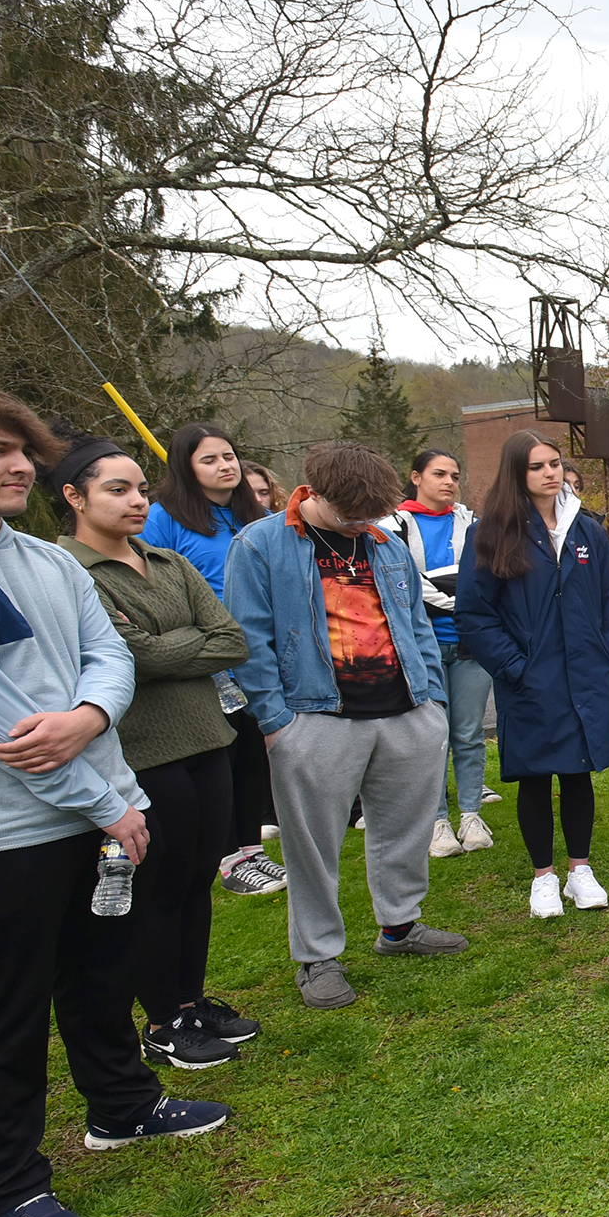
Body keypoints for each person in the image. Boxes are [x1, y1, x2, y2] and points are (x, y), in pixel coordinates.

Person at [0, 383, 227, 1217]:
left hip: (98, 812)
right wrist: (108, 799)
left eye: (23, 449)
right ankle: (6, 1185)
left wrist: (92, 716)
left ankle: (122, 1107)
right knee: (5, 1011)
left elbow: (108, 654)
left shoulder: (44, 559)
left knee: (101, 976)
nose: (20, 466)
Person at [224, 440, 467, 1009]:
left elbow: (416, 622)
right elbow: (247, 639)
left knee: (405, 829)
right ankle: (317, 957)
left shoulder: (385, 542)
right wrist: (276, 722)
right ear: (315, 492)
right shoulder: (259, 544)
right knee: (312, 847)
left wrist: (432, 703)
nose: (362, 525)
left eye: (371, 515)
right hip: (315, 718)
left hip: (406, 711)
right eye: (351, 514)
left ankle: (400, 927)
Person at [55, 433, 266, 1069]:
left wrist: (161, 645)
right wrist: (178, 644)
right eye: (117, 490)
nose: (137, 501)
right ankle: (163, 1020)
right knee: (160, 886)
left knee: (199, 877)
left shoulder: (169, 562)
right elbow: (131, 658)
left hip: (209, 737)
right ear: (75, 497)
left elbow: (231, 639)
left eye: (142, 489)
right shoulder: (69, 573)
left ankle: (190, 1001)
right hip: (143, 751)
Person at [456, 430, 609, 918]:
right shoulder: (490, 533)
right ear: (516, 473)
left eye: (554, 463)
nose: (550, 473)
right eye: (537, 466)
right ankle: (543, 878)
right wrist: (514, 666)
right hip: (531, 677)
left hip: (585, 673)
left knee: (577, 773)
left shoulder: (586, 529)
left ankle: (579, 871)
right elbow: (474, 614)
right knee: (535, 777)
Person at [144, 421, 284, 898]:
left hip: (262, 653)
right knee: (223, 758)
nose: (225, 466)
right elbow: (155, 586)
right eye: (209, 459)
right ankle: (227, 857)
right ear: (185, 467)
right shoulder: (163, 519)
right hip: (209, 660)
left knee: (254, 756)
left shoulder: (257, 516)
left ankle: (252, 850)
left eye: (229, 456)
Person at [384, 447, 495, 857]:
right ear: (416, 477)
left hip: (470, 644)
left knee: (468, 733)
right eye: (439, 474)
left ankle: (470, 814)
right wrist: (458, 597)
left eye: (455, 475)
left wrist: (455, 597)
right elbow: (404, 584)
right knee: (432, 737)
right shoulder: (392, 527)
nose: (449, 482)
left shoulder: (473, 524)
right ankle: (436, 821)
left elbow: (484, 576)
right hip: (421, 646)